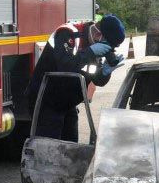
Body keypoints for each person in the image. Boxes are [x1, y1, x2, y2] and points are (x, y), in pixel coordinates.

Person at [22, 14, 126, 142]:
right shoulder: (67, 33)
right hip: (46, 101)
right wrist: (90, 52)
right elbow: (65, 65)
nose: (107, 50)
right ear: (99, 35)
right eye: (108, 46)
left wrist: (106, 71)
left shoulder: (95, 47)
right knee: (49, 149)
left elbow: (97, 79)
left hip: (67, 103)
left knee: (71, 149)